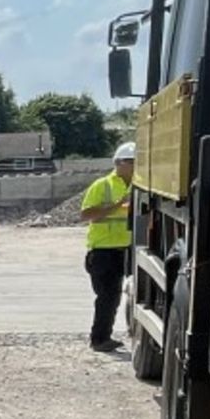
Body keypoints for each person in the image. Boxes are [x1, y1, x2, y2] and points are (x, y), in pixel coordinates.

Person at [79, 142, 135, 351]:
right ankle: (99, 339)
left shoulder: (139, 185)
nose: (134, 166)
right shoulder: (102, 185)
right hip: (103, 252)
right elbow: (86, 214)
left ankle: (105, 336)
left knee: (117, 295)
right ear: (119, 163)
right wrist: (118, 205)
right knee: (107, 296)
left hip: (127, 249)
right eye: (131, 162)